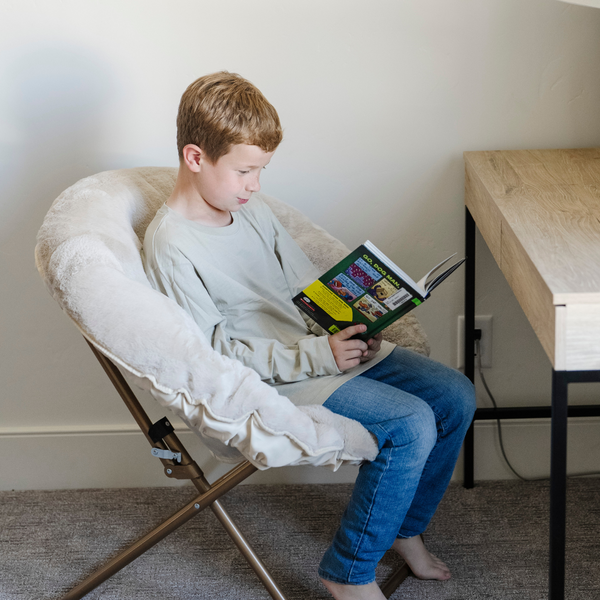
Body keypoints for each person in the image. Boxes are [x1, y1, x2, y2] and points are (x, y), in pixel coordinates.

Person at [142, 71, 476, 600]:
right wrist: (320, 353)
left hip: (323, 350)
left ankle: (403, 528)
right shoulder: (172, 247)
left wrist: (350, 319)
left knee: (455, 394)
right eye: (245, 171)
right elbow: (215, 354)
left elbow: (304, 286)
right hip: (277, 377)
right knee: (410, 423)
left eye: (261, 171)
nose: (255, 185)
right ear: (195, 157)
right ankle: (347, 572)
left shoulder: (250, 212)